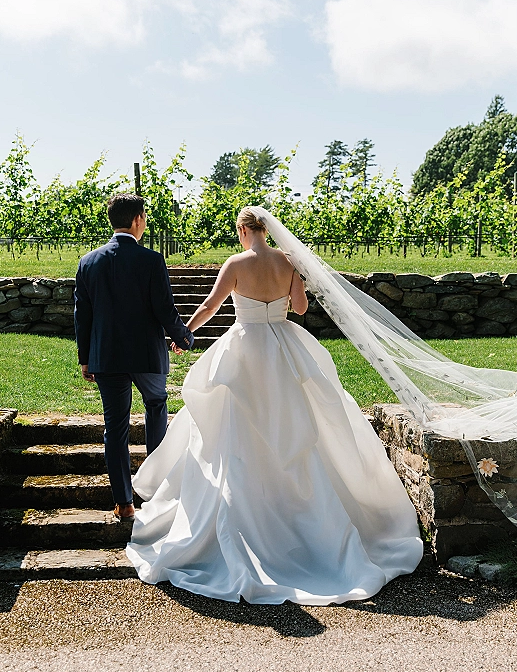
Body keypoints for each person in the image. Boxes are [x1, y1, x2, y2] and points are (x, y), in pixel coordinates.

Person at [126, 207, 423, 605]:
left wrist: (183, 334)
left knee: (238, 431)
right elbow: (299, 309)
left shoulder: (236, 263)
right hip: (284, 348)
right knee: (296, 427)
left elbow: (211, 306)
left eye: (237, 230)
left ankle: (246, 522)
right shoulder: (287, 261)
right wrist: (290, 281)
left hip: (246, 348)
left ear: (245, 230)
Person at [74, 193, 194, 522]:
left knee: (115, 426)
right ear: (138, 220)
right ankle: (154, 491)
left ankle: (123, 503)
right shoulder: (151, 260)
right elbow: (164, 309)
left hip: (107, 356)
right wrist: (183, 336)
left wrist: (86, 357)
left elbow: (82, 315)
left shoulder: (89, 261)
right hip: (145, 355)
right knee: (156, 406)